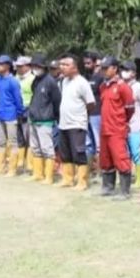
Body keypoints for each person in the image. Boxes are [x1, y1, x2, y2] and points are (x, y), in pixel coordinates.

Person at [98, 55, 135, 199]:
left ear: (115, 69)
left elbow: (130, 109)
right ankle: (108, 187)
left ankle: (124, 191)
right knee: (105, 159)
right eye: (102, 68)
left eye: (106, 68)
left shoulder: (122, 87)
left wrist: (122, 122)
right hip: (105, 128)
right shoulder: (103, 86)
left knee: (120, 158)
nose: (104, 71)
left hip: (117, 129)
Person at [57, 53, 95, 190]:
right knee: (65, 153)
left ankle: (82, 181)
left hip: (77, 123)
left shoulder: (82, 83)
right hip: (63, 123)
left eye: (66, 65)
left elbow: (91, 103)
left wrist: (82, 116)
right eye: (61, 65)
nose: (62, 67)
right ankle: (68, 179)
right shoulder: (64, 81)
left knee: (78, 152)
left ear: (75, 67)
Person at [26, 52, 62, 184]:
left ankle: (49, 176)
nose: (35, 68)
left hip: (46, 120)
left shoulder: (50, 82)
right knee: (35, 148)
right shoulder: (35, 81)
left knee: (47, 149)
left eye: (37, 66)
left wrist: (56, 117)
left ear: (43, 67)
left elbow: (57, 101)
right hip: (34, 119)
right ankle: (38, 173)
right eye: (33, 66)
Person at [0, 54, 25, 176]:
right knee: (1, 142)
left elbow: (18, 100)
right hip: (0, 115)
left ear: (8, 66)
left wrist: (19, 114)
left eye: (0, 64)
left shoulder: (13, 81)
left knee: (13, 142)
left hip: (11, 116)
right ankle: (0, 166)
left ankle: (12, 169)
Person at [121, 61, 140, 187]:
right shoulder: (120, 86)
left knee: (137, 152)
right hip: (124, 125)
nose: (124, 72)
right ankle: (128, 177)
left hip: (136, 124)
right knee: (126, 153)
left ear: (134, 73)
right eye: (123, 69)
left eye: (127, 70)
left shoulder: (139, 87)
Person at [82, 50, 104, 180]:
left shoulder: (100, 77)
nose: (86, 65)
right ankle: (89, 170)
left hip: (97, 113)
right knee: (88, 143)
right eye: (84, 63)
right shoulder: (85, 77)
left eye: (89, 63)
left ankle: (100, 171)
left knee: (99, 144)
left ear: (95, 63)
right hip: (86, 114)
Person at [14, 55, 34, 172]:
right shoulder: (16, 78)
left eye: (21, 66)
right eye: (17, 66)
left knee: (29, 138)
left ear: (27, 66)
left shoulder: (32, 79)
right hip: (17, 110)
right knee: (19, 137)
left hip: (28, 109)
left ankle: (30, 163)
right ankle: (20, 161)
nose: (18, 68)